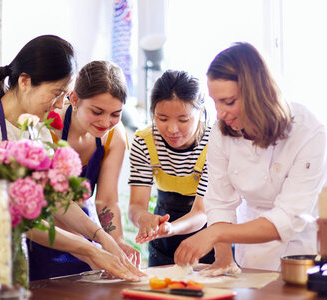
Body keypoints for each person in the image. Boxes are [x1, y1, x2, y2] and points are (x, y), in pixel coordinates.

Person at [0, 35, 144, 281]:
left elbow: (54, 200)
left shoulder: (37, 130)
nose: (61, 103)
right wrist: (88, 249)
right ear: (25, 82)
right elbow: (14, 214)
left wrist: (101, 236)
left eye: (65, 94)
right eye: (57, 93)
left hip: (3, 239)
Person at [174, 42, 327, 273]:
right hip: (252, 252)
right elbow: (220, 201)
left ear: (258, 94)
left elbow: (288, 216)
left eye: (229, 102)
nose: (220, 113)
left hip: (302, 250)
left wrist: (215, 233)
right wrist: (224, 258)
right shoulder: (220, 132)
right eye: (216, 102)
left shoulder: (309, 132)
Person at [50, 60, 141, 272]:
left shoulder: (114, 137)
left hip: (86, 231)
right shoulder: (48, 127)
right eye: (97, 111)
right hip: (47, 234)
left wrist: (116, 240)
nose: (105, 122)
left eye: (115, 114)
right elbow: (50, 202)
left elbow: (106, 199)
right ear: (74, 99)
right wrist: (91, 244)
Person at [128, 70, 215, 267]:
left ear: (201, 113)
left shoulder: (215, 143)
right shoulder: (145, 141)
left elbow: (201, 212)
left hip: (208, 238)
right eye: (162, 118)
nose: (172, 129)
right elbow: (135, 206)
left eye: (183, 119)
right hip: (163, 241)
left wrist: (170, 228)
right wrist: (144, 218)